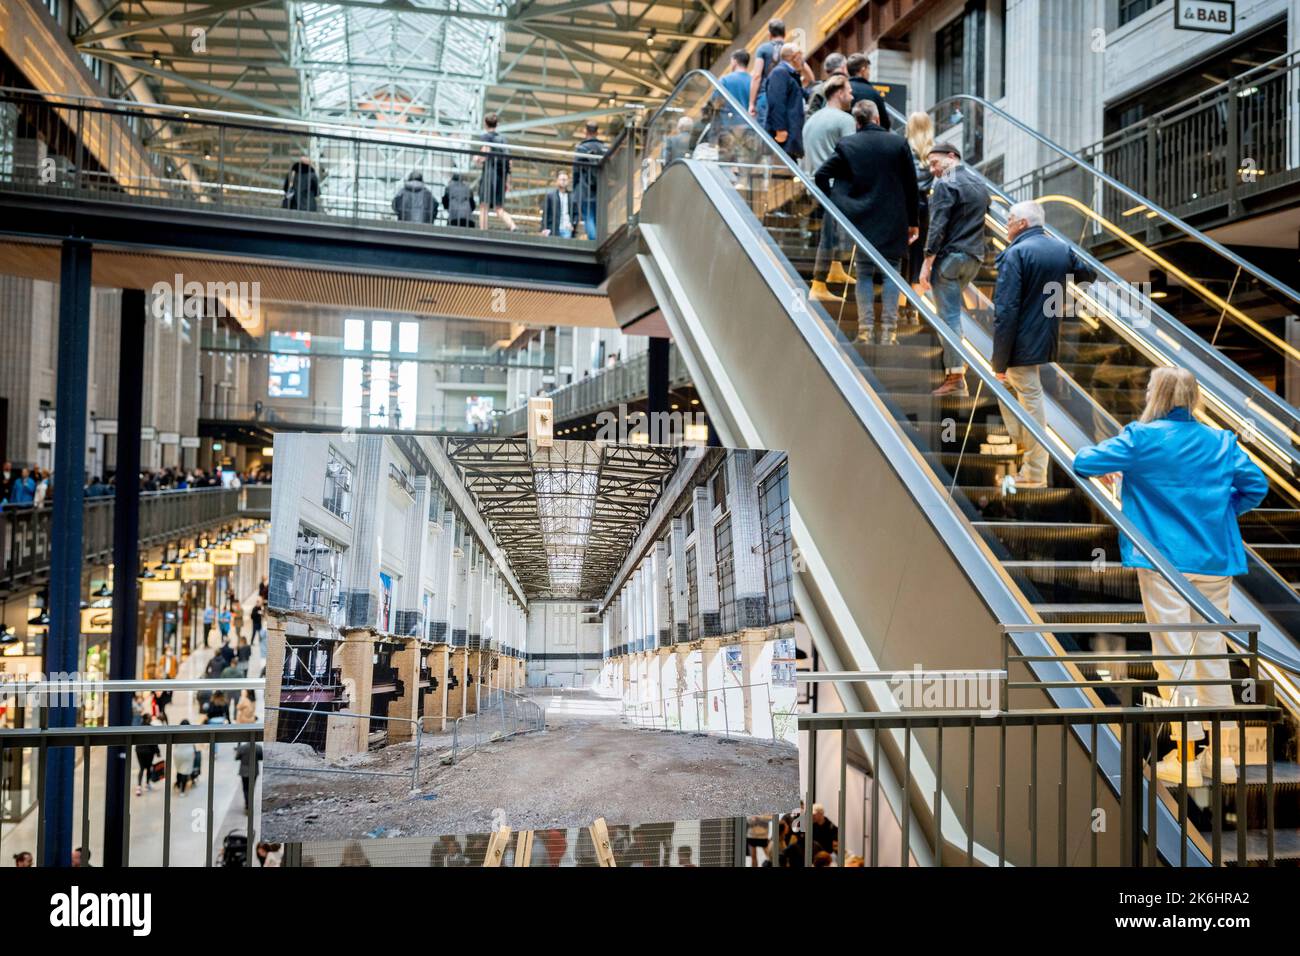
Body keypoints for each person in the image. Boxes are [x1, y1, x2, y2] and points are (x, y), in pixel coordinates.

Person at [1073, 368, 1267, 787]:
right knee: (1212, 653)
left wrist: (1120, 473)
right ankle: (1223, 757)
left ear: (1156, 395)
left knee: (1173, 656)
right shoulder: (1220, 441)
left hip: (1164, 563)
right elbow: (1256, 486)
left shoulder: (1142, 438)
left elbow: (1083, 461)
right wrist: (1221, 513)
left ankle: (1185, 758)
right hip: (1215, 560)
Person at [992, 200, 1097, 489]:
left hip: (1018, 342)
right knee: (1012, 392)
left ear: (1023, 224)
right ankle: (1025, 448)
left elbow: (1006, 310)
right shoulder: (1059, 248)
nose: (1007, 223)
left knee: (1028, 398)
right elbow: (1088, 274)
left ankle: (1035, 471)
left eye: (1010, 219)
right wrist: (1053, 291)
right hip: (1045, 335)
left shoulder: (1016, 254)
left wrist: (999, 361)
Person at [813, 100, 919, 345]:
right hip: (893, 220)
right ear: (877, 119)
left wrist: (836, 202)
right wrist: (913, 222)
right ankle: (889, 333)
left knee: (863, 275)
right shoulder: (898, 143)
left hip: (861, 219)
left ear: (856, 122)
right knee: (891, 274)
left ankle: (865, 331)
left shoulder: (848, 144)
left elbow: (821, 175)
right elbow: (911, 187)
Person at [921, 142, 990, 396]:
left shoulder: (945, 183)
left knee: (948, 317)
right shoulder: (979, 183)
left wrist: (926, 262)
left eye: (935, 162)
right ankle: (955, 373)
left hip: (950, 258)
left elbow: (938, 225)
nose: (932, 169)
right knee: (950, 311)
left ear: (952, 156)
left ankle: (956, 377)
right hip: (974, 258)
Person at [802, 75, 857, 303]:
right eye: (849, 90)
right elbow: (854, 154)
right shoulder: (845, 120)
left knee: (830, 232)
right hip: (834, 185)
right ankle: (818, 283)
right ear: (839, 92)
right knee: (829, 234)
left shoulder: (812, 120)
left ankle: (834, 268)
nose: (852, 95)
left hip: (812, 183)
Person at [903, 111, 936, 323]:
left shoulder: (903, 147)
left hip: (904, 205)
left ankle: (897, 305)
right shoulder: (935, 152)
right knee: (918, 257)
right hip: (924, 207)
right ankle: (912, 310)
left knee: (902, 254)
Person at [749, 19, 810, 124]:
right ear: (785, 34)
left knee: (767, 133)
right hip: (789, 96)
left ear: (769, 35)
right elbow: (809, 76)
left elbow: (757, 76)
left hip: (766, 96)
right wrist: (799, 87)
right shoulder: (791, 50)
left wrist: (751, 103)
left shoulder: (763, 49)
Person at [764, 45, 809, 160]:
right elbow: (776, 102)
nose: (803, 60)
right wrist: (780, 129)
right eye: (801, 56)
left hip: (791, 132)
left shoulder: (790, 74)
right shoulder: (780, 73)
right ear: (794, 57)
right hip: (784, 133)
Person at [475, 113, 516, 232]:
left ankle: (483, 231)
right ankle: (513, 226)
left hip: (489, 174)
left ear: (485, 124)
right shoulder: (503, 139)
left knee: (484, 205)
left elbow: (484, 154)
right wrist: (507, 180)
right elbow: (509, 161)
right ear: (497, 124)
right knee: (499, 208)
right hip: (501, 176)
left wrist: (477, 158)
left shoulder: (485, 137)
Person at [571, 122, 606, 241]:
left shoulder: (581, 148)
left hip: (584, 188)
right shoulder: (604, 148)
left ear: (585, 132)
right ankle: (600, 240)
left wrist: (574, 187)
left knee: (588, 216)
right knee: (598, 217)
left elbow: (576, 170)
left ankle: (594, 242)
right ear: (597, 132)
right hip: (600, 189)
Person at [846, 53, 892, 131]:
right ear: (863, 70)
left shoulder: (842, 90)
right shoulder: (873, 93)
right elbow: (885, 123)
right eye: (868, 69)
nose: (869, 73)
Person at [804, 52, 848, 117]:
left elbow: (811, 115)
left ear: (826, 71)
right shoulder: (849, 87)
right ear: (843, 68)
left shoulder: (818, 89)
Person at [540, 170, 575, 238]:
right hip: (553, 229)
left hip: (567, 229)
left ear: (568, 181)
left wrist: (573, 224)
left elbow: (576, 213)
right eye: (562, 179)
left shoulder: (572, 196)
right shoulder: (550, 196)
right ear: (557, 181)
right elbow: (545, 214)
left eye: (565, 179)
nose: (563, 181)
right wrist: (544, 228)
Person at [235, 739, 264, 811]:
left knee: (245, 788)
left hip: (244, 771)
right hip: (254, 771)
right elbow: (261, 758)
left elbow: (237, 758)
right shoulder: (258, 747)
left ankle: (247, 804)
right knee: (251, 788)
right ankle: (249, 803)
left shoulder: (242, 747)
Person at [173, 720, 197, 794]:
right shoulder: (191, 733)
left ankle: (178, 785)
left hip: (178, 754)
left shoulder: (177, 733)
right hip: (188, 754)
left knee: (179, 770)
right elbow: (193, 745)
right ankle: (182, 791)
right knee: (185, 772)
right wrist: (195, 752)